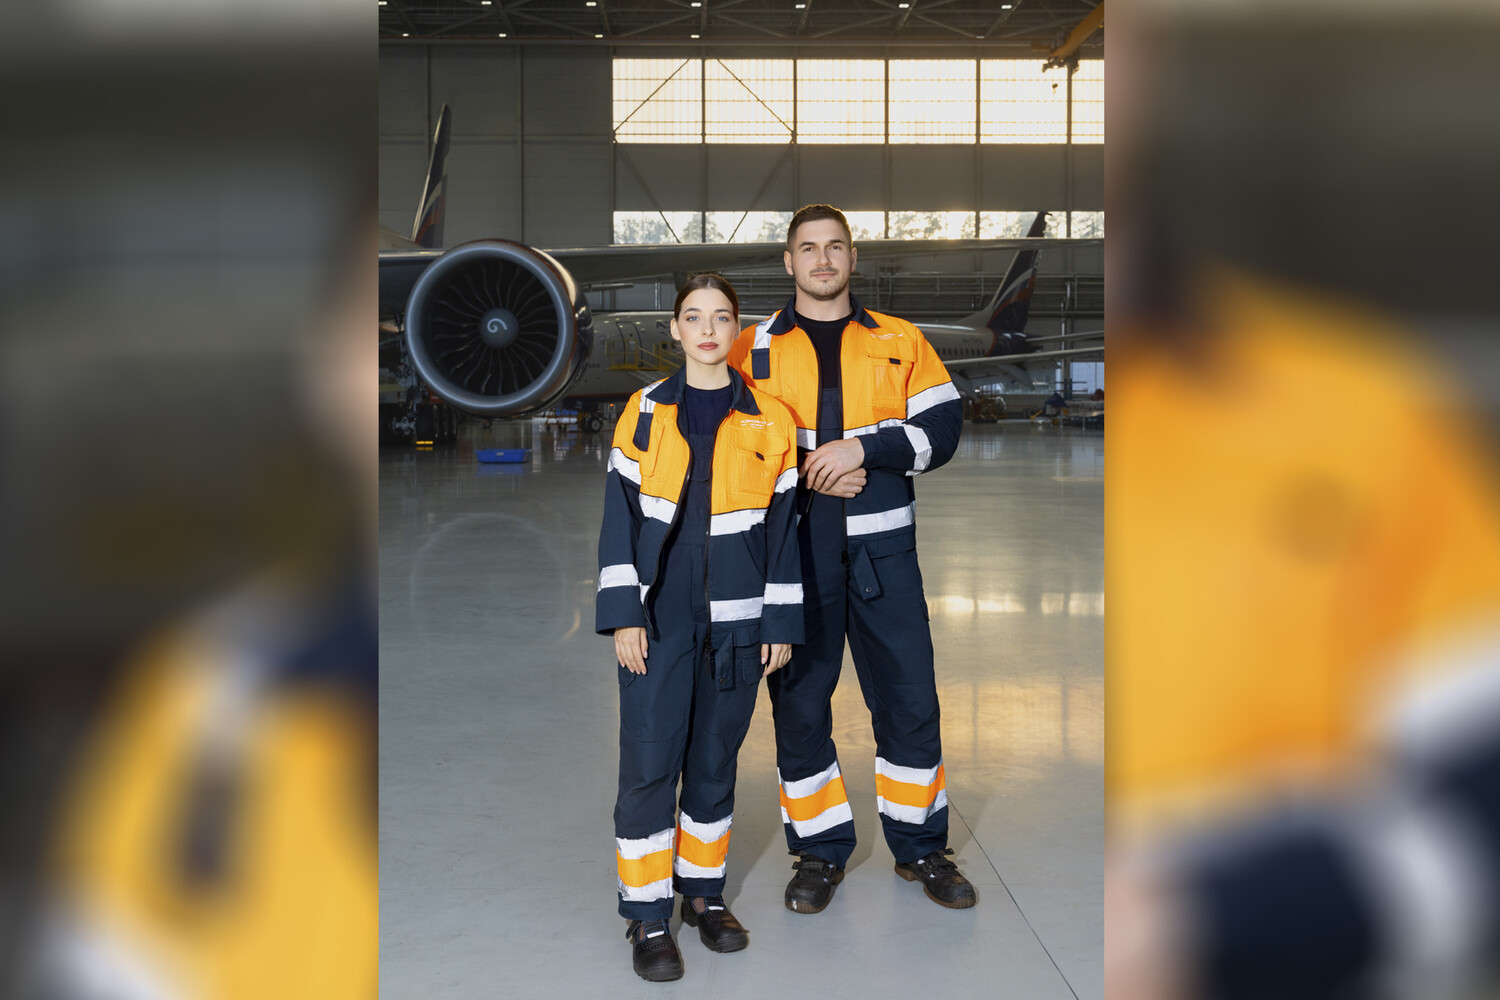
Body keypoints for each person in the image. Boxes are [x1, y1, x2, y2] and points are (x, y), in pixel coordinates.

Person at [725, 204, 977, 913]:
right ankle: (818, 851)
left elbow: (943, 427)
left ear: (852, 257)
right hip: (795, 556)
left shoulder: (901, 339)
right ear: (789, 262)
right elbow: (728, 444)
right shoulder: (749, 347)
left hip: (883, 554)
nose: (822, 259)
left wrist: (864, 448)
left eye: (834, 246)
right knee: (800, 706)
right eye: (808, 248)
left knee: (909, 701)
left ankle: (921, 848)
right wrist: (815, 468)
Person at [596, 273, 803, 982]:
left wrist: (779, 619)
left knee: (715, 760)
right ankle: (647, 913)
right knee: (650, 760)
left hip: (739, 618)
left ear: (736, 329)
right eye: (694, 316)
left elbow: (784, 530)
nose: (708, 329)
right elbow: (619, 517)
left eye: (720, 317)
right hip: (659, 614)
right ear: (676, 330)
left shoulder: (773, 419)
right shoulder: (644, 411)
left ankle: (703, 896)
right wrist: (624, 614)